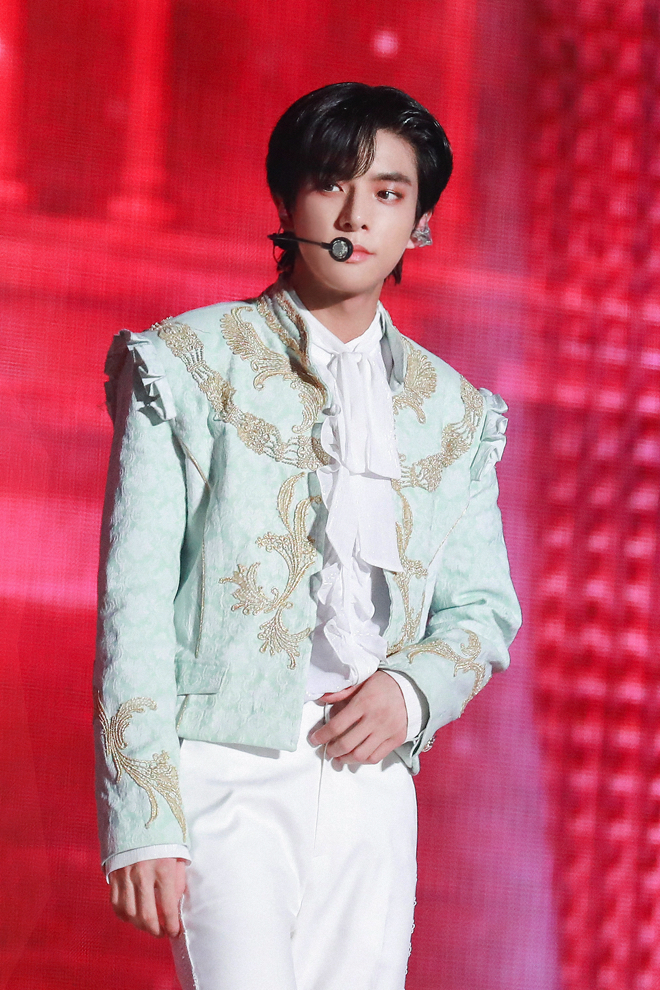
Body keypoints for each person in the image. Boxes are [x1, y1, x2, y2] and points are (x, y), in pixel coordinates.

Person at [94, 82, 522, 990]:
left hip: (375, 775)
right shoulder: (186, 363)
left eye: (388, 193)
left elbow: (484, 612)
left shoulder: (454, 413)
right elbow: (134, 603)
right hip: (223, 762)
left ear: (421, 223)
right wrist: (144, 816)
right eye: (332, 183)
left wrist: (412, 692)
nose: (357, 216)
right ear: (287, 203)